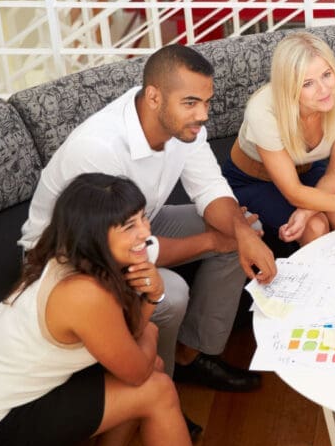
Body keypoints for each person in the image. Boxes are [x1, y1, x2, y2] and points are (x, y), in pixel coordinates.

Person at [19, 45, 276, 407]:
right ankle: (159, 393)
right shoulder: (102, 148)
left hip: (135, 227)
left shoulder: (184, 126)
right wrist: (212, 241)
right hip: (72, 256)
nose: (203, 115)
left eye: (207, 102)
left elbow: (210, 190)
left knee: (244, 227)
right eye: (190, 103)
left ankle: (192, 353)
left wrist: (242, 234)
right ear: (154, 96)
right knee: (170, 295)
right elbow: (118, 248)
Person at [0, 173, 230, 446]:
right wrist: (153, 299)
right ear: (93, 233)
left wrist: (148, 308)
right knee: (156, 388)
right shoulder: (83, 293)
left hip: (8, 388)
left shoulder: (82, 259)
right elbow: (137, 371)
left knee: (149, 357)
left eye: (142, 217)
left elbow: (132, 336)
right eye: (129, 226)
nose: (146, 232)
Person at [222, 33, 335, 248]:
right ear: (289, 87)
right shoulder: (262, 110)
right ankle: (325, 281)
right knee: (315, 226)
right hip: (252, 179)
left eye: (327, 74)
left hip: (306, 171)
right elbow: (293, 192)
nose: (324, 90)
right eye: (307, 83)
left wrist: (307, 210)